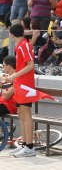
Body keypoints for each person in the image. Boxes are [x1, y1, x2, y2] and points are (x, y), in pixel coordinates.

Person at [5, 24, 36, 157]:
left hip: (25, 86)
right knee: (21, 114)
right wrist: (13, 76)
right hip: (21, 84)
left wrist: (14, 75)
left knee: (26, 115)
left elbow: (31, 65)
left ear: (11, 35)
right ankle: (25, 144)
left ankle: (29, 146)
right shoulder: (21, 46)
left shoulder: (24, 45)